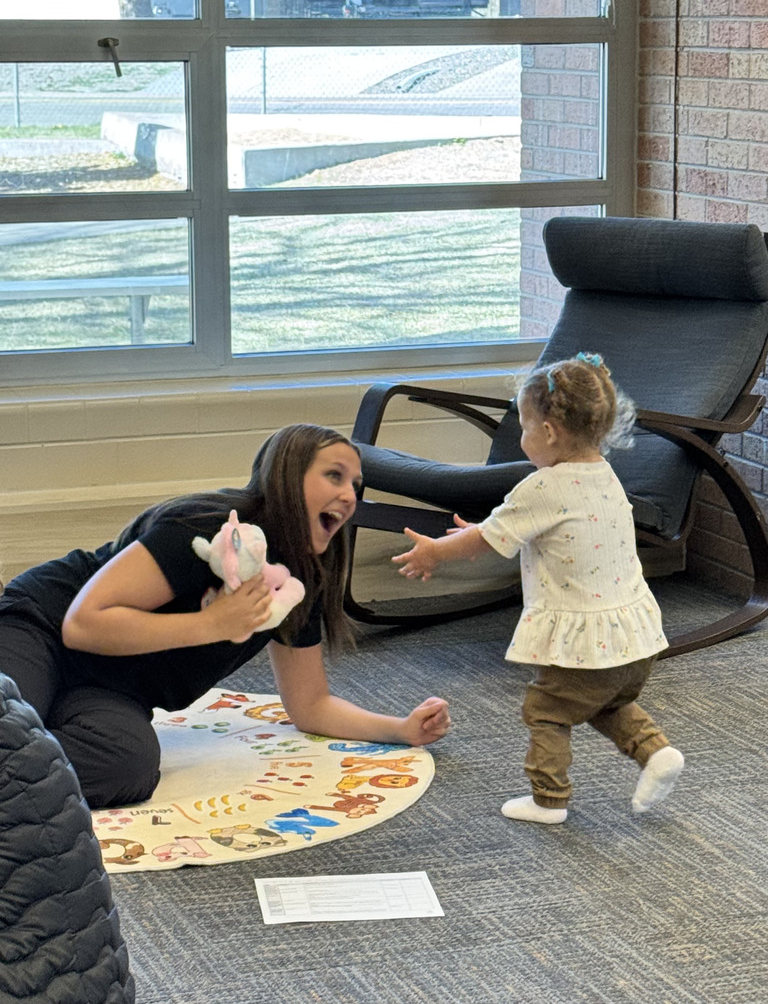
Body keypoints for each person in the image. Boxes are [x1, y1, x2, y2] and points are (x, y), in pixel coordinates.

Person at [0, 423, 450, 809]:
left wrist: (399, 730)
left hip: (108, 689)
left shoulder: (296, 584)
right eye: (334, 476)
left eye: (356, 484)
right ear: (286, 476)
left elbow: (310, 705)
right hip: (39, 628)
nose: (349, 495)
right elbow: (82, 625)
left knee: (129, 766)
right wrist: (212, 625)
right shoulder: (204, 527)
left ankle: (20, 758)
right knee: (8, 726)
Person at [392, 353, 684, 825]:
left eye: (525, 428)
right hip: (636, 639)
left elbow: (484, 542)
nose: (522, 439)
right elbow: (521, 529)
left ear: (548, 433)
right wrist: (484, 530)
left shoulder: (542, 485)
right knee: (606, 701)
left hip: (587, 642)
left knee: (547, 710)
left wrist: (435, 552)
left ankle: (549, 800)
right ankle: (655, 752)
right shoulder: (606, 476)